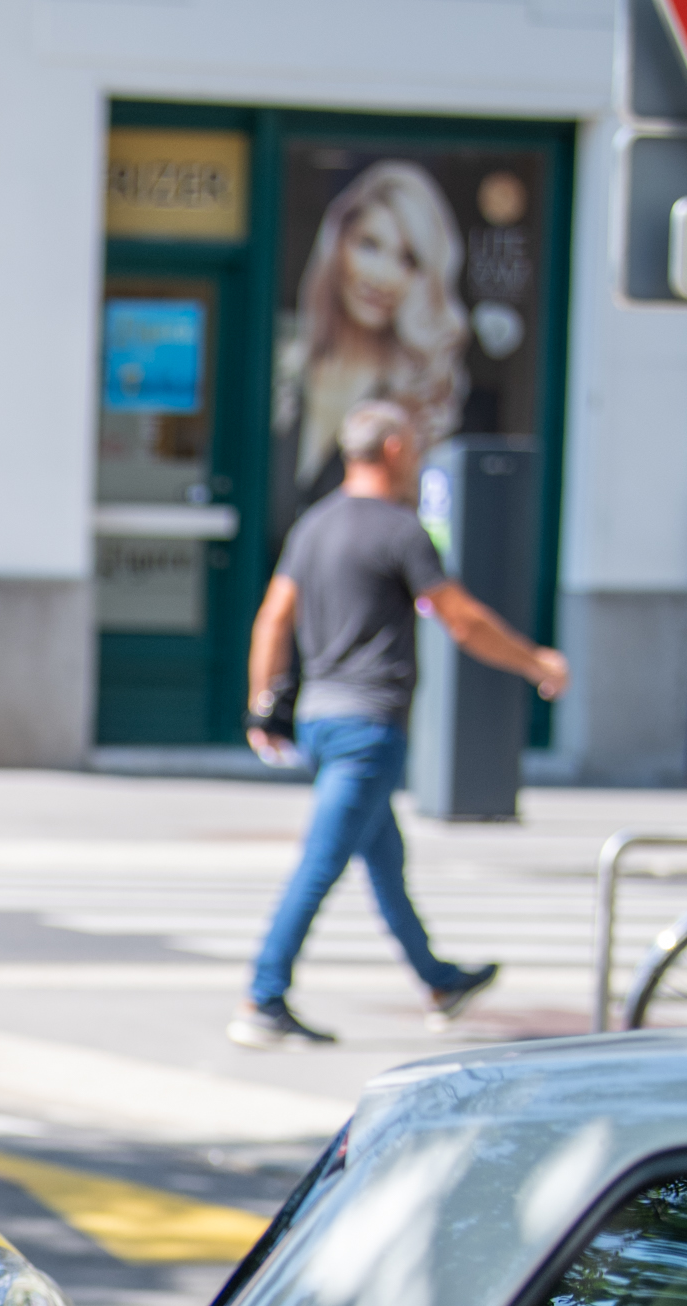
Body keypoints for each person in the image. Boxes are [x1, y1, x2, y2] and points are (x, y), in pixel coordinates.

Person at [235, 397, 567, 1049]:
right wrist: (534, 662)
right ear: (391, 450)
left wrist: (263, 704)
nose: (416, 457)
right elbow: (460, 618)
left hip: (322, 720)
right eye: (412, 445)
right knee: (322, 862)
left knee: (384, 857)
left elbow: (273, 617)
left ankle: (438, 980)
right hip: (368, 726)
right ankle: (263, 995)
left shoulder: (314, 526)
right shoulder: (398, 530)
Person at [281, 161, 468, 505]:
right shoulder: (285, 373)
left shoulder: (422, 400)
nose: (383, 276)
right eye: (369, 245)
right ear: (337, 245)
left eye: (408, 260)